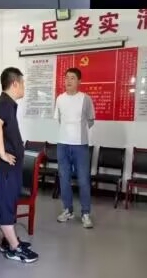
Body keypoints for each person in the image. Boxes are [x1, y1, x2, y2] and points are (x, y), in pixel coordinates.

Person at [0, 67, 39, 263]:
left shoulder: (8, 104)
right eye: (23, 83)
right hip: (4, 170)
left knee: (7, 204)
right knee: (4, 206)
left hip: (9, 170)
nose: (24, 87)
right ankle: (14, 249)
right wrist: (2, 153)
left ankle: (8, 241)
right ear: (15, 83)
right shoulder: (3, 103)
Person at [54, 68, 95, 228]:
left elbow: (90, 120)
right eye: (66, 78)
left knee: (83, 180)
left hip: (80, 146)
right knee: (64, 178)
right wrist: (67, 133)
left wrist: (79, 134)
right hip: (62, 144)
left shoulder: (86, 99)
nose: (68, 81)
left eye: (72, 78)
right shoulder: (60, 99)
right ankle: (67, 210)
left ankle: (85, 213)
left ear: (79, 81)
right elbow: (59, 120)